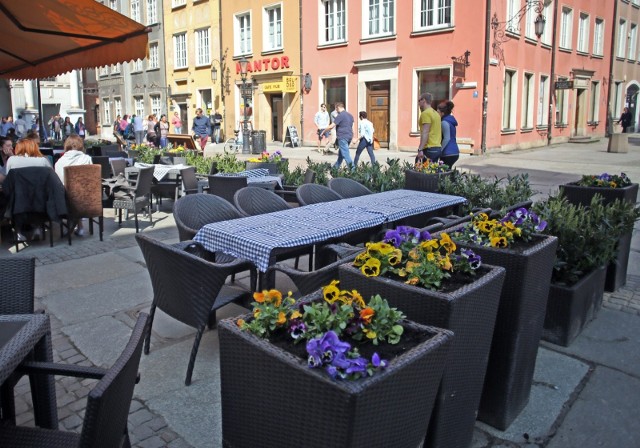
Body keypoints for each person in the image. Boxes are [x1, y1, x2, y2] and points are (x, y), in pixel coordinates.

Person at [54, 134, 93, 236]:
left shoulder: (59, 162)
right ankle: (79, 226)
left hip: (67, 200)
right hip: (86, 198)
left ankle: (74, 224)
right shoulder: (87, 159)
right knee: (79, 191)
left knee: (69, 192)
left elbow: (58, 183)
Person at [324, 102, 355, 169]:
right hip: (349, 136)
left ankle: (353, 171)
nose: (336, 111)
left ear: (338, 107)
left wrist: (324, 131)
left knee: (346, 155)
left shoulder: (341, 115)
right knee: (341, 155)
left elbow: (332, 125)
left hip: (342, 136)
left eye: (336, 109)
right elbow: (352, 127)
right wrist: (353, 137)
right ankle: (334, 169)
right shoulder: (350, 115)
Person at [417, 92, 442, 163]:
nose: (418, 103)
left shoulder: (425, 114)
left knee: (419, 169)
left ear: (423, 100)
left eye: (419, 101)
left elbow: (425, 132)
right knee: (432, 171)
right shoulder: (436, 113)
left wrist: (420, 149)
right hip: (437, 147)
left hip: (429, 148)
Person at [438, 101, 460, 169]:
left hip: (448, 152)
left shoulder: (444, 122)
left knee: (443, 173)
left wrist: (440, 150)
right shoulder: (450, 121)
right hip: (454, 151)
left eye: (438, 112)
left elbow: (447, 138)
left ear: (442, 113)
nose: (437, 114)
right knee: (447, 172)